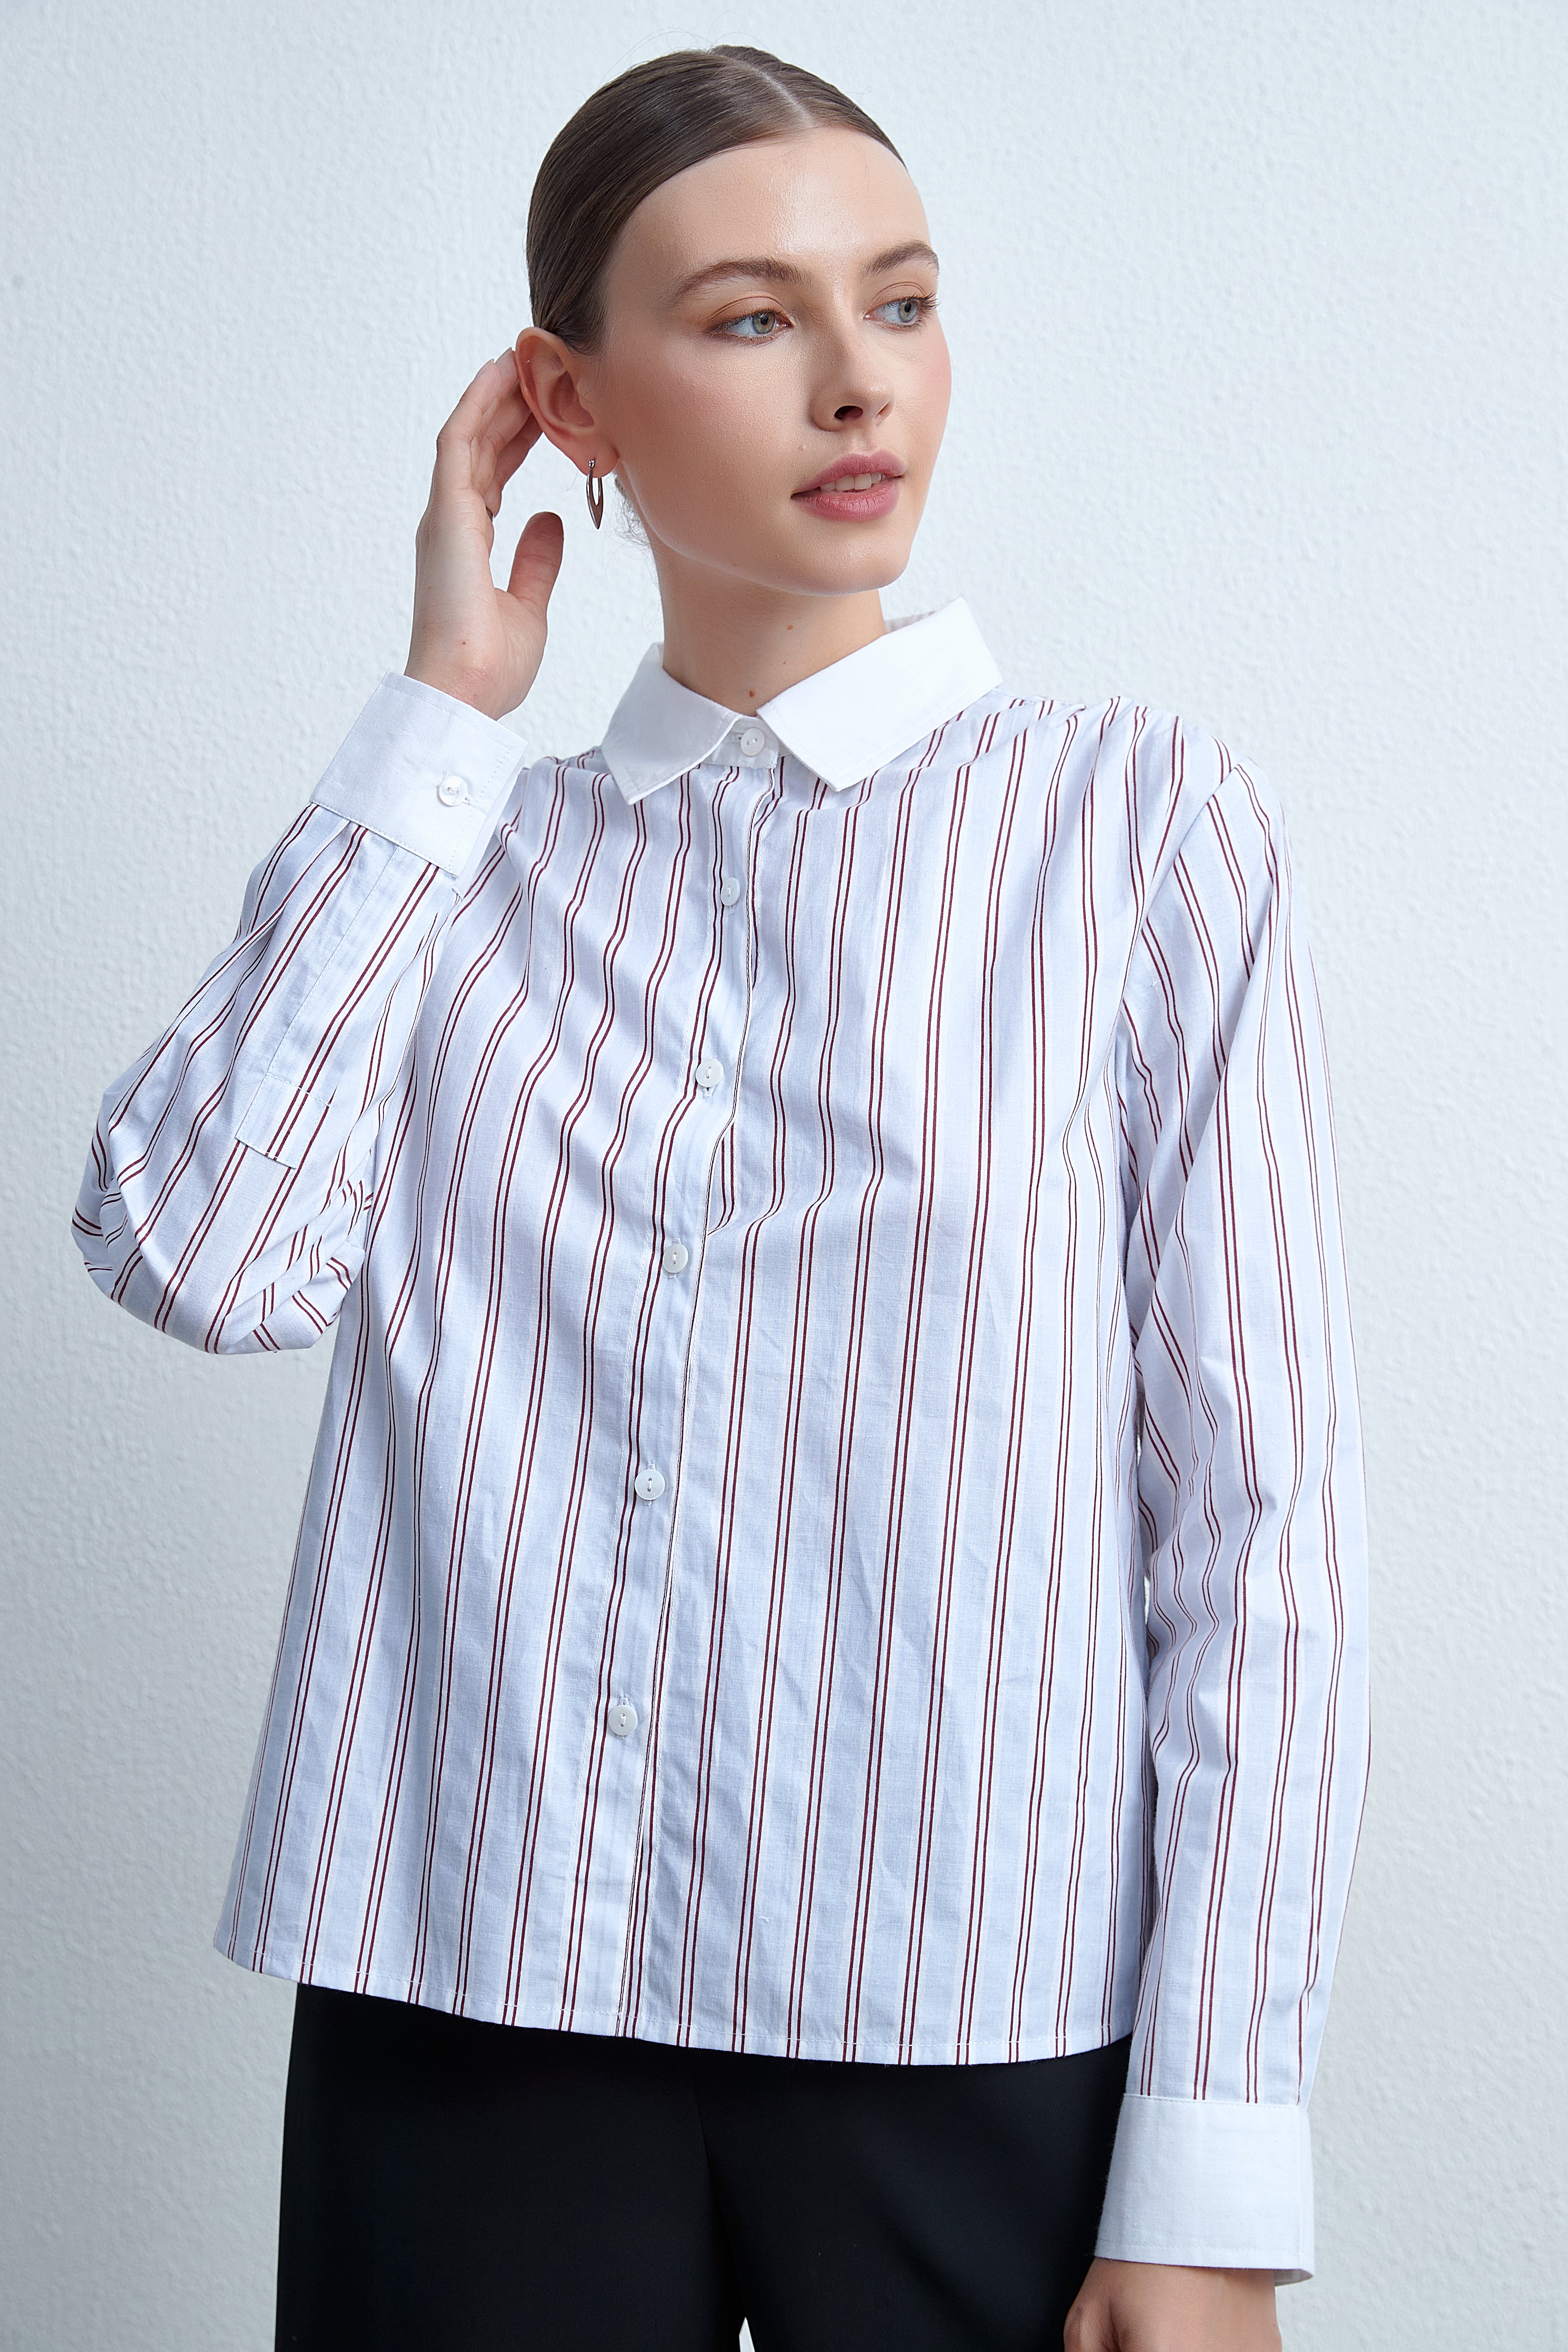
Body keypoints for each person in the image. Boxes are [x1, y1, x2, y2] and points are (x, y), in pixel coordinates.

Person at [72, 43, 1371, 2352]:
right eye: (755, 316)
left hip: (973, 2008)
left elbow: (1261, 1531)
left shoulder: (1140, 827)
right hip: (466, 1987)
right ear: (568, 402)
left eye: (903, 300)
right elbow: (199, 1250)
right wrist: (444, 711)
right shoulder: (461, 856)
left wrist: (1213, 2169)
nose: (860, 380)